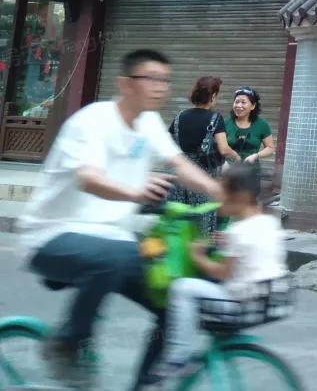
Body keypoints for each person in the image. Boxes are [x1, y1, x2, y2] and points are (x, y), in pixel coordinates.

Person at [20, 48, 224, 390]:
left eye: (165, 80)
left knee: (176, 299)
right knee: (117, 256)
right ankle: (66, 344)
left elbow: (180, 165)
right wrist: (136, 192)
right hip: (52, 236)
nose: (160, 87)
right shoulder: (92, 121)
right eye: (152, 78)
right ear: (125, 84)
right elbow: (88, 178)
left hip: (116, 242)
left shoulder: (149, 124)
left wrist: (220, 193)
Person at [152, 162, 289, 380]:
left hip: (243, 303)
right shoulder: (269, 223)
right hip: (273, 298)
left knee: (182, 288)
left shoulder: (238, 230)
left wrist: (197, 256)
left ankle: (178, 358)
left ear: (240, 196)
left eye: (223, 191)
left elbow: (222, 273)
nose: (217, 197)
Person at [167, 76, 236, 236]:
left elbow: (167, 144)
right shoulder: (215, 118)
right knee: (200, 224)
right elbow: (224, 149)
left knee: (178, 222)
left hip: (179, 176)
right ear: (213, 96)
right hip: (201, 179)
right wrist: (235, 156)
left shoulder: (179, 117)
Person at [224, 88, 275, 194]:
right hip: (228, 172)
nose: (239, 105)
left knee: (249, 202)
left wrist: (256, 155)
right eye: (236, 102)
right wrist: (224, 162)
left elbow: (270, 148)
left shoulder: (262, 124)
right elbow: (218, 146)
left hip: (251, 173)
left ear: (253, 106)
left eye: (243, 102)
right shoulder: (225, 123)